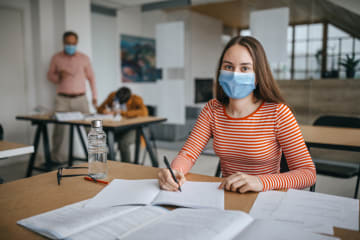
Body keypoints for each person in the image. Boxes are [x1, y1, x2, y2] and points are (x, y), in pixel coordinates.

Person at [158, 36, 316, 193]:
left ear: (258, 74)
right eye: (228, 67)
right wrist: (174, 172)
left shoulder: (278, 113)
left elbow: (308, 173)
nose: (234, 75)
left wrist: (261, 181)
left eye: (245, 68)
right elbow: (188, 154)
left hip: (266, 196)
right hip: (227, 195)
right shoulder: (212, 109)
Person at [47, 31, 97, 163]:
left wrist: (95, 97)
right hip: (62, 99)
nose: (71, 46)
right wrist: (59, 76)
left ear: (76, 43)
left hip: (81, 99)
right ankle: (55, 158)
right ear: (63, 43)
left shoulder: (84, 58)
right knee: (58, 131)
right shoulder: (56, 58)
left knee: (90, 128)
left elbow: (91, 78)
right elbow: (50, 76)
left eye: (73, 43)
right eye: (68, 43)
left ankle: (97, 158)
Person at [97, 87, 148, 162]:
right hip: (116, 127)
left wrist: (121, 112)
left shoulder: (136, 99)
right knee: (101, 137)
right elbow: (100, 109)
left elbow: (144, 113)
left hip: (132, 129)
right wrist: (105, 111)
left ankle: (126, 166)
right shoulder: (112, 96)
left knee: (123, 142)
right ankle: (108, 160)